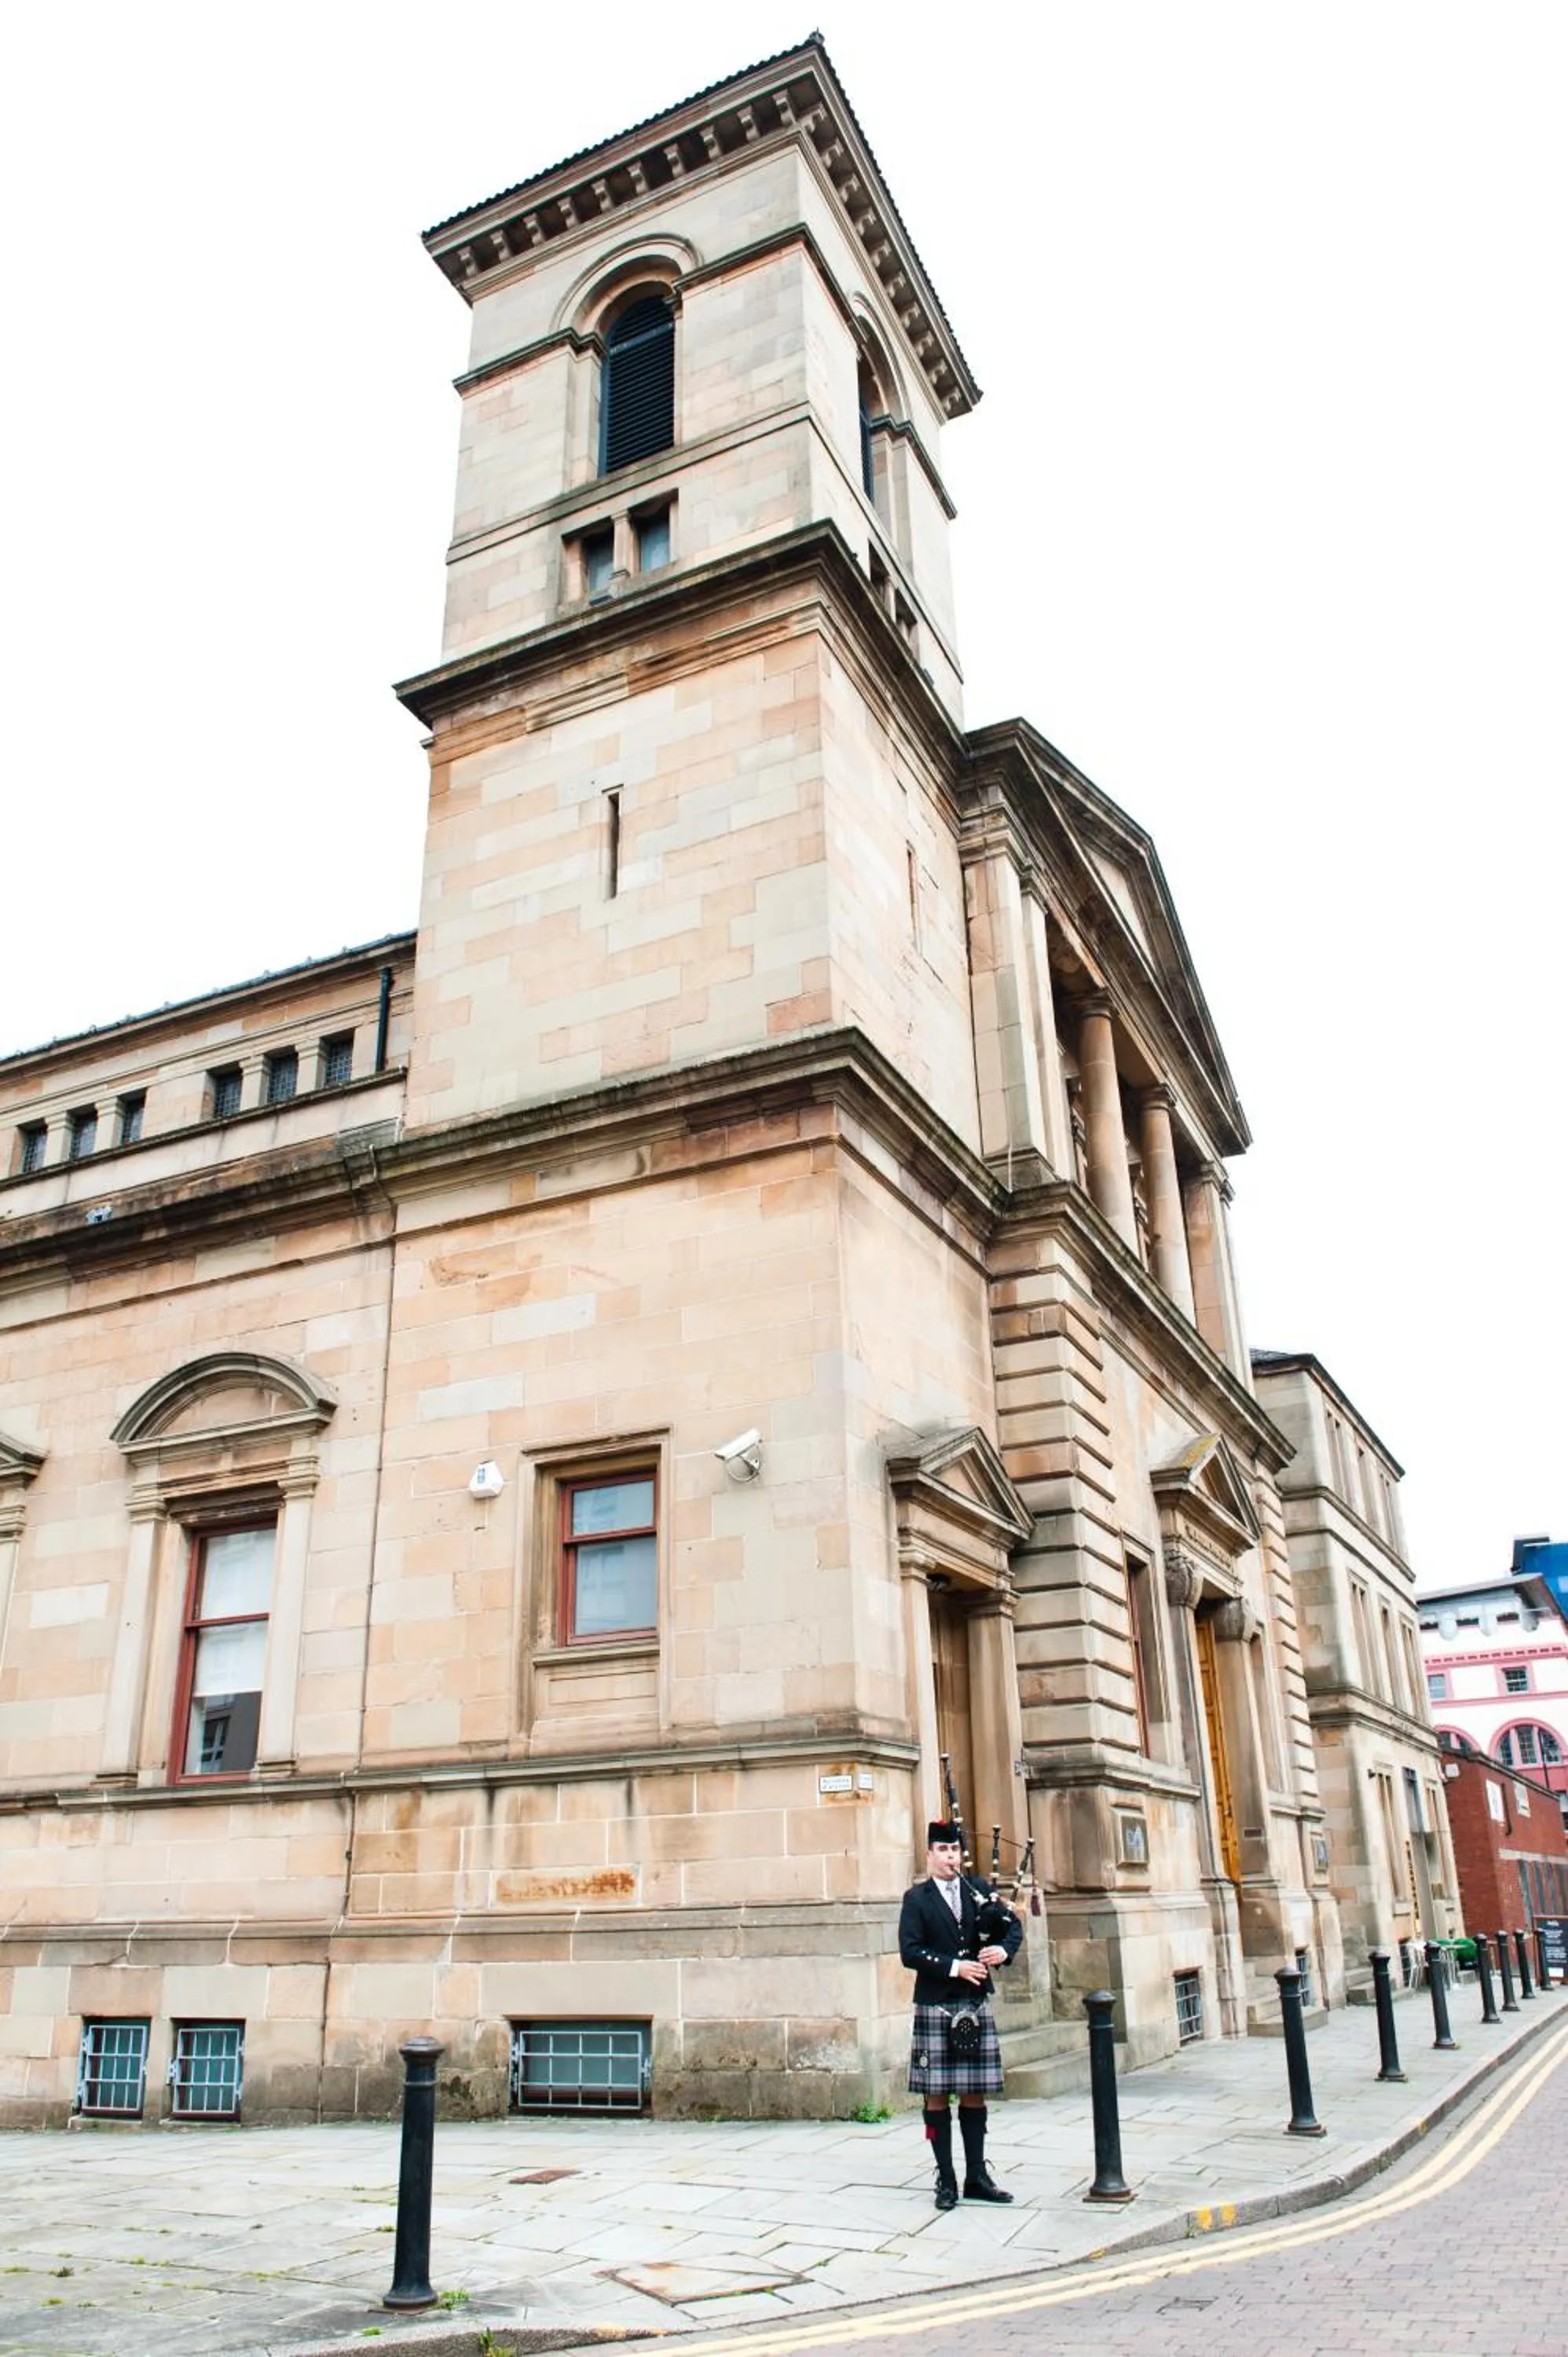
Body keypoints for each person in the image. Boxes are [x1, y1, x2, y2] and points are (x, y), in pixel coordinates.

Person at [899, 1818, 1023, 2209]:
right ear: (931, 1855)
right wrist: (956, 1966)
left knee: (974, 2092)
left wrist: (1002, 1951)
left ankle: (977, 2177)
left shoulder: (978, 1891)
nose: (950, 1857)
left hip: (973, 2003)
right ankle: (946, 2180)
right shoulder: (916, 1899)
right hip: (936, 2003)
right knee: (936, 2095)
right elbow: (910, 1952)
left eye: (955, 1851)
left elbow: (1012, 1928)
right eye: (943, 1851)